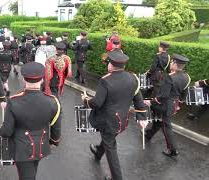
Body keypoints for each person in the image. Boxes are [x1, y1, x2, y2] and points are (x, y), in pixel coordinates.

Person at [82, 51, 147, 180]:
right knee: (109, 139)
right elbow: (138, 99)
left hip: (107, 121)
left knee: (111, 147)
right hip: (122, 119)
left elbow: (97, 103)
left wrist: (85, 99)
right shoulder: (133, 78)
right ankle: (98, 151)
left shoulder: (105, 80)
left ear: (111, 65)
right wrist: (142, 117)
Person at [0, 62, 61, 180]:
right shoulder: (53, 101)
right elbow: (56, 128)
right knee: (32, 172)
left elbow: (6, 131)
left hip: (22, 149)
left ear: (23, 79)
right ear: (42, 80)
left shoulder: (13, 101)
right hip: (42, 147)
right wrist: (54, 141)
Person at [144, 54, 191, 157]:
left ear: (174, 64)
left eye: (171, 62)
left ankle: (173, 150)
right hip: (173, 105)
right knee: (160, 120)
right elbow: (184, 94)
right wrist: (179, 104)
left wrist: (151, 102)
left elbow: (163, 96)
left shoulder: (170, 77)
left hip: (165, 105)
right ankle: (149, 134)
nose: (170, 63)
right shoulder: (187, 77)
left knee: (166, 126)